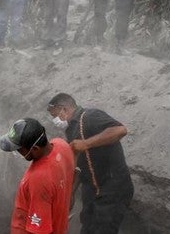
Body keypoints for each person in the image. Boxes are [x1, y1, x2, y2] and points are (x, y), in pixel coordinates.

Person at [47, 93, 133, 234]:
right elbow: (81, 166)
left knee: (103, 229)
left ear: (64, 109)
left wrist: (86, 143)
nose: (55, 120)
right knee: (87, 227)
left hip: (112, 188)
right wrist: (71, 192)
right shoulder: (71, 130)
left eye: (55, 115)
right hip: (92, 190)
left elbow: (120, 130)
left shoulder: (90, 116)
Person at [0, 118, 75, 234]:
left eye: (19, 149)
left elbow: (39, 231)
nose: (17, 152)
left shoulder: (39, 179)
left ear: (35, 149)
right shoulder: (61, 145)